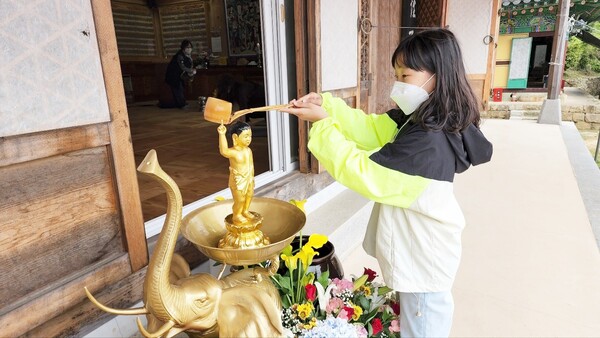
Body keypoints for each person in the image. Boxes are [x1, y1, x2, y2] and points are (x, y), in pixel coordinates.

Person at [280, 28, 493, 338]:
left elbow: (365, 173)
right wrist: (328, 107)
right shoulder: (421, 118)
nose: (398, 85)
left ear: (438, 75)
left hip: (424, 267)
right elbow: (369, 129)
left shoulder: (428, 141)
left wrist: (323, 127)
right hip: (422, 255)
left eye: (405, 75)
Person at [217, 121, 256, 225]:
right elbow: (223, 151)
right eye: (246, 136)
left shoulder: (248, 150)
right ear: (235, 137)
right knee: (240, 199)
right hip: (238, 180)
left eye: (250, 136)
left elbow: (251, 165)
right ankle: (237, 214)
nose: (249, 139)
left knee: (249, 195)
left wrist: (252, 178)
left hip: (248, 178)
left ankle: (245, 211)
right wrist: (222, 134)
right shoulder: (234, 152)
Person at [159, 39, 196, 109]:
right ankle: (181, 104)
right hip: (173, 76)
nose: (189, 49)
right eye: (187, 47)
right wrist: (191, 71)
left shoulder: (187, 55)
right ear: (183, 48)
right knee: (178, 89)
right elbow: (182, 67)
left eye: (190, 47)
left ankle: (180, 103)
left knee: (180, 89)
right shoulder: (180, 56)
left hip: (178, 76)